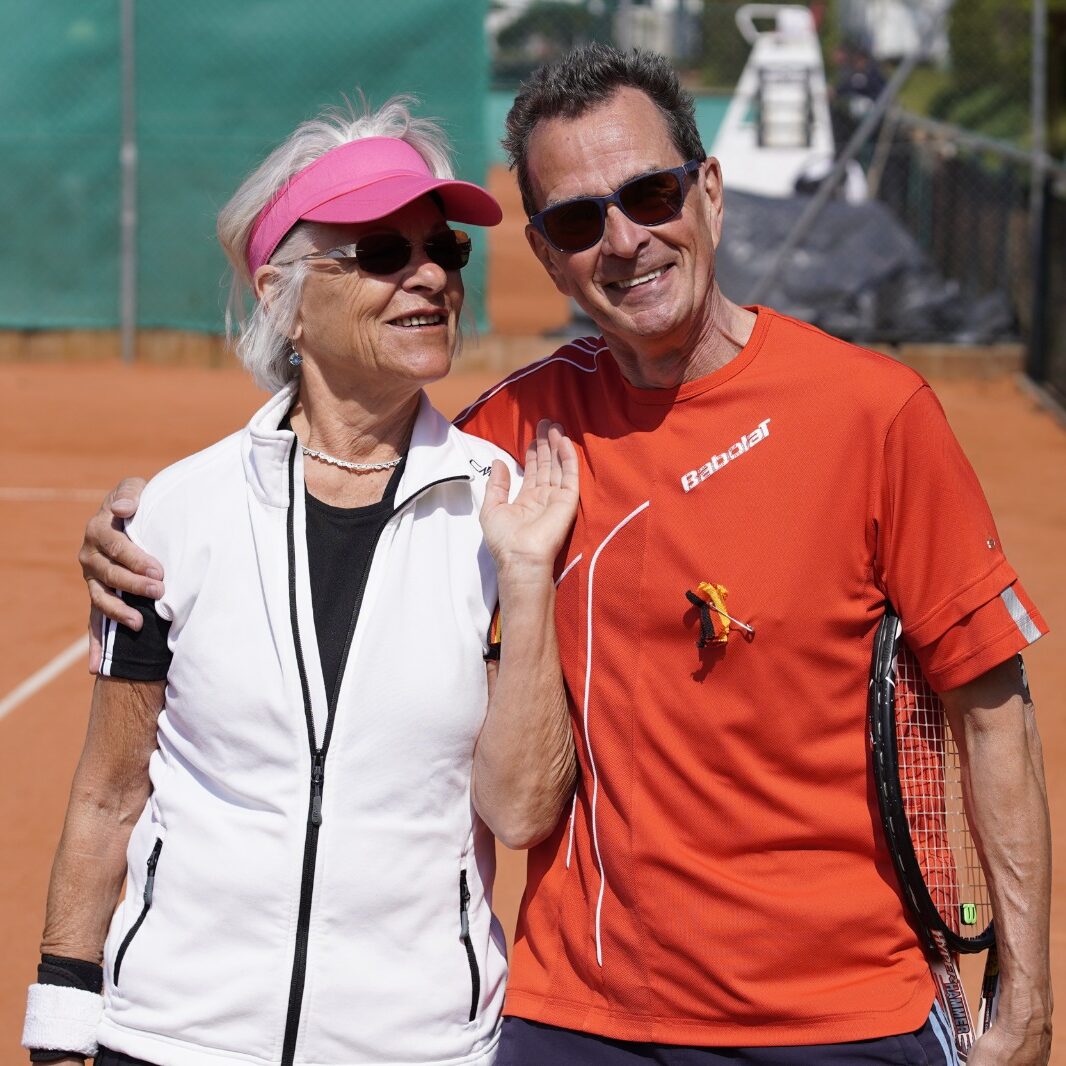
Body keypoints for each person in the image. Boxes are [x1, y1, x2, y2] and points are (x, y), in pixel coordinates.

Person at [78, 45, 1053, 1066]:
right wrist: (143, 517)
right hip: (574, 1020)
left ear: (708, 192)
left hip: (838, 1018)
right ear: (546, 253)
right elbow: (338, 461)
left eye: (651, 193)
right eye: (580, 220)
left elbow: (991, 707)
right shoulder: (504, 437)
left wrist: (1024, 992)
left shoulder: (874, 415)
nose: (625, 240)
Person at [25, 97, 579, 1066]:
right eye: (378, 253)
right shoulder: (175, 515)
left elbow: (522, 810)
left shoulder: (503, 511)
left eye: (442, 250)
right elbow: (110, 792)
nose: (428, 278)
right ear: (283, 291)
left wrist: (527, 582)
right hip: (170, 1038)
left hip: (413, 1046)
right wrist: (63, 1010)